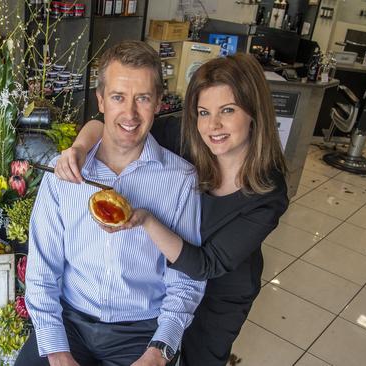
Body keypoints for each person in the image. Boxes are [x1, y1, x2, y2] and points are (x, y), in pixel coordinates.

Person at [55, 53, 289, 366]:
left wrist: (147, 220)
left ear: (253, 112)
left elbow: (206, 265)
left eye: (228, 110)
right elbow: (112, 125)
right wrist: (79, 150)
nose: (213, 125)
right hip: (168, 287)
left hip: (220, 292)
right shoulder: (188, 137)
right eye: (204, 112)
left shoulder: (268, 192)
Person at [16, 40, 206, 366]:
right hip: (71, 322)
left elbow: (186, 280)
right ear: (101, 100)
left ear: (159, 103)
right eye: (118, 97)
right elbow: (41, 269)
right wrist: (57, 350)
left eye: (142, 98)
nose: (130, 113)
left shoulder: (181, 180)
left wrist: (159, 350)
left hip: (142, 332)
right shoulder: (62, 174)